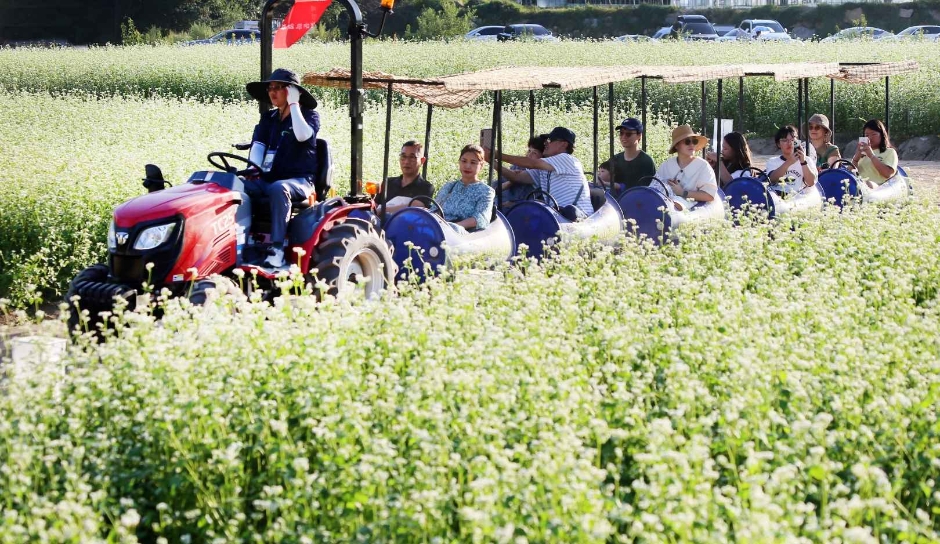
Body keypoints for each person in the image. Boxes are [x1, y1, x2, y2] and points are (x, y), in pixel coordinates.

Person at [244, 68, 320, 268]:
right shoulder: (268, 119)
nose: (272, 92)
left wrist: (294, 104)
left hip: (300, 181)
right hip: (269, 178)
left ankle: (277, 249)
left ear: (292, 91)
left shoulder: (309, 116)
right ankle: (241, 242)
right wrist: (252, 172)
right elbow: (258, 149)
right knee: (235, 186)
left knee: (279, 188)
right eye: (270, 88)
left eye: (279, 88)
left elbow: (302, 135)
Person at [487, 126, 594, 218]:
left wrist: (496, 154)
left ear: (563, 144)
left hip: (578, 215)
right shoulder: (544, 170)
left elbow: (531, 163)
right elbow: (516, 176)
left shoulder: (567, 159)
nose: (545, 144)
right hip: (559, 217)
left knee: (568, 211)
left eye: (549, 141)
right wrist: (490, 160)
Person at [417, 145, 495, 233]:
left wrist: (453, 227)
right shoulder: (449, 186)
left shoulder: (486, 191)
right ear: (459, 162)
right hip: (439, 229)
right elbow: (434, 209)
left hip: (463, 234)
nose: (467, 166)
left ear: (481, 165)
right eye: (464, 161)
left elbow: (481, 218)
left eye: (473, 162)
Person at [655, 125, 717, 211]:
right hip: (661, 207)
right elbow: (653, 189)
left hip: (690, 211)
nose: (691, 144)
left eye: (694, 141)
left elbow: (709, 195)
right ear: (677, 145)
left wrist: (683, 193)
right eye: (687, 141)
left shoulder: (703, 166)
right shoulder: (666, 165)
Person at [378, 141, 435, 214]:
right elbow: (375, 206)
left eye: (412, 157)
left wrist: (382, 210)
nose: (406, 162)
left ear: (422, 160)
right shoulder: (388, 183)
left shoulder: (426, 187)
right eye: (403, 156)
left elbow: (415, 208)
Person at [606, 117, 656, 195]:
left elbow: (648, 191)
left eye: (628, 134)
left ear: (639, 135)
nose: (623, 137)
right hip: (614, 204)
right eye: (621, 133)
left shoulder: (646, 161)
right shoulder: (614, 159)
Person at [764, 125, 818, 194]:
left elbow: (811, 183)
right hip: (778, 196)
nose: (789, 143)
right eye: (784, 140)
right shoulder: (772, 161)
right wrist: (789, 162)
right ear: (778, 144)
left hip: (799, 197)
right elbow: (772, 180)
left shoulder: (807, 160)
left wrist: (803, 162)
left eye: (792, 140)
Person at [498, 134, 548, 205]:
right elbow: (496, 189)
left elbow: (535, 204)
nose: (529, 155)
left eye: (534, 153)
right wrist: (511, 182)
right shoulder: (517, 166)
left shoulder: (541, 174)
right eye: (529, 151)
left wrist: (516, 178)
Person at [852, 119, 898, 187]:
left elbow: (888, 174)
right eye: (867, 135)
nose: (870, 138)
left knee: (867, 184)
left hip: (879, 188)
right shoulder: (862, 153)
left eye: (874, 134)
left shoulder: (890, 152)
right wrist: (856, 158)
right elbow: (849, 173)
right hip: (858, 186)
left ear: (882, 135)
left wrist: (871, 155)